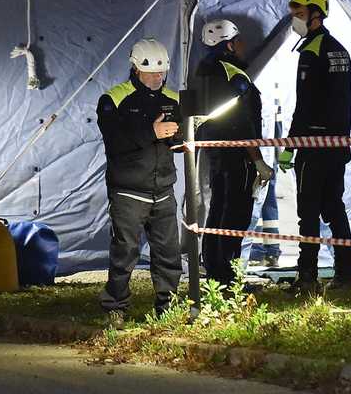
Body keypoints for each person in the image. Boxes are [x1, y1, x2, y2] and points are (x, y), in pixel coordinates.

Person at [96, 38, 183, 323]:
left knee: (169, 251)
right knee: (125, 251)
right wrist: (152, 132)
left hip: (163, 188)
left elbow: (181, 138)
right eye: (151, 73)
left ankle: (167, 306)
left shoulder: (173, 99)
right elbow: (115, 141)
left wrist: (181, 140)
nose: (158, 78)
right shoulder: (114, 99)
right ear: (135, 69)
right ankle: (115, 307)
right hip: (128, 190)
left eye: (162, 72)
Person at [282, 0, 351, 293]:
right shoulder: (339, 49)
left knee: (308, 211)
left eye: (299, 14)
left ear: (316, 14)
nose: (295, 20)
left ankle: (308, 277)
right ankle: (344, 274)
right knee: (333, 206)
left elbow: (306, 103)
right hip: (337, 144)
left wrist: (290, 145)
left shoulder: (313, 51)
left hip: (313, 144)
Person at [195, 19, 273, 285]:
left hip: (213, 154)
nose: (244, 46)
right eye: (239, 41)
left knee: (217, 210)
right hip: (238, 157)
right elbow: (244, 124)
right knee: (236, 215)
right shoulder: (235, 76)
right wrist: (258, 161)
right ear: (228, 44)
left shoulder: (201, 73)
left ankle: (215, 272)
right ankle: (229, 277)